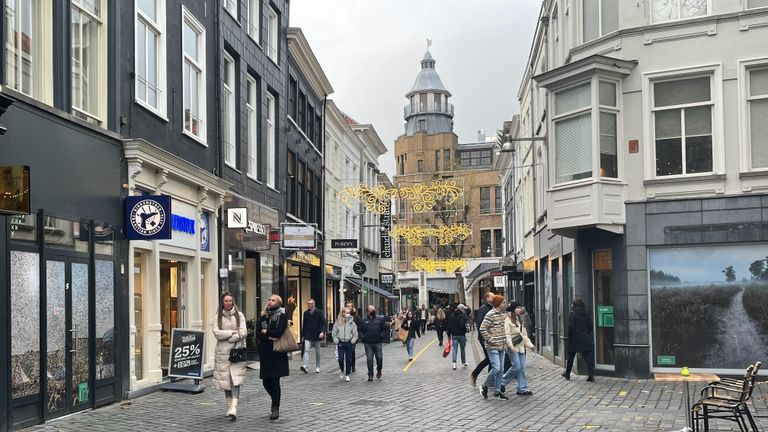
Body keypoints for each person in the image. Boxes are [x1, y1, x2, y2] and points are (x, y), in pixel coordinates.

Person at [211, 292, 247, 421]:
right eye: (226, 301)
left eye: (230, 301)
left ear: (233, 302)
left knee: (235, 380)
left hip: (236, 352)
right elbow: (217, 334)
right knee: (225, 381)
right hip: (222, 353)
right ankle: (229, 406)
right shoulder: (218, 317)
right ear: (222, 302)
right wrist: (232, 332)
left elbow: (243, 333)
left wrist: (230, 339)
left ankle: (234, 407)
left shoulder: (239, 315)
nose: (228, 303)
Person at [256, 294, 289, 420]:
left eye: (273, 300)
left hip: (277, 353)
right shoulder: (263, 316)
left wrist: (267, 332)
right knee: (265, 381)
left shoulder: (282, 316)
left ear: (278, 303)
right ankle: (274, 398)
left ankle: (275, 407)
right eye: (269, 299)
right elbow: (258, 333)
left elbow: (278, 332)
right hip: (265, 353)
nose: (270, 301)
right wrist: (269, 335)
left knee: (274, 381)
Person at [502, 301, 536, 396]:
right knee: (516, 366)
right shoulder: (507, 320)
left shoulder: (519, 319)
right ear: (513, 309)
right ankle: (502, 383)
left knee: (522, 368)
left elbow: (524, 335)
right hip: (512, 347)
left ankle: (522, 389)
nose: (520, 309)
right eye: (518, 308)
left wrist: (531, 345)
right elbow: (507, 335)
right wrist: (510, 345)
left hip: (521, 347)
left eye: (520, 307)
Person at [479, 295, 508, 400]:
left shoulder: (504, 315)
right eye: (504, 302)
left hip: (502, 345)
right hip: (492, 346)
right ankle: (484, 386)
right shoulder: (490, 314)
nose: (505, 304)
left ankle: (497, 392)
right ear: (498, 304)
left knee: (501, 370)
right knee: (496, 368)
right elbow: (482, 329)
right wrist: (490, 339)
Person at [562, 298, 596, 382]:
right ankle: (591, 376)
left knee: (571, 357)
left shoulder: (573, 314)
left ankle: (567, 374)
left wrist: (569, 335)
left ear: (574, 305)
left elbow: (571, 327)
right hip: (585, 339)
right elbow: (590, 326)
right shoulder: (587, 314)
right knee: (588, 358)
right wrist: (586, 333)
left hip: (574, 339)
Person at [470, 292, 496, 386]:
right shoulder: (483, 309)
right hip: (485, 338)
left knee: (492, 359)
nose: (494, 298)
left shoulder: (492, 308)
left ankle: (490, 380)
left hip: (492, 338)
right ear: (487, 298)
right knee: (490, 358)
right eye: (492, 296)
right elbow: (480, 324)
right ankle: (474, 374)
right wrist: (485, 338)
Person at [359, 305, 386, 381]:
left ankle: (379, 370)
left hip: (377, 342)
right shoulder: (364, 320)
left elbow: (384, 328)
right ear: (368, 311)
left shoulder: (380, 319)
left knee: (379, 357)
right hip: (368, 342)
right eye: (371, 310)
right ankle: (370, 374)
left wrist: (381, 336)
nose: (373, 311)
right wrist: (363, 337)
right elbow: (360, 330)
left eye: (374, 310)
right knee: (369, 358)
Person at [332, 308, 358, 382]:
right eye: (346, 312)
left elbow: (355, 334)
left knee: (348, 359)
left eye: (349, 312)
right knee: (340, 359)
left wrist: (352, 341)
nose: (347, 314)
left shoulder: (352, 323)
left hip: (349, 342)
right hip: (340, 342)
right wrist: (336, 340)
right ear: (342, 313)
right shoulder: (338, 323)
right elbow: (334, 332)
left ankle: (347, 374)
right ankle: (342, 370)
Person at [300, 299, 325, 374]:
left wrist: (322, 332)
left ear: (314, 304)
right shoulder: (305, 313)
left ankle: (318, 366)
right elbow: (304, 324)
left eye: (310, 304)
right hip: (308, 334)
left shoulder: (319, 312)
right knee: (307, 349)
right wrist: (303, 335)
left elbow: (323, 323)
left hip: (317, 334)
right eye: (308, 304)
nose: (308, 305)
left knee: (317, 352)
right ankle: (305, 365)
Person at [447, 304, 468, 369]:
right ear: (461, 309)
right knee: (462, 349)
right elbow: (462, 325)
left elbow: (449, 325)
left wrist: (449, 334)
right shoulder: (463, 316)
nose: (464, 310)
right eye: (463, 309)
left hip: (454, 335)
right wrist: (465, 328)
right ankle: (463, 363)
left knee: (455, 349)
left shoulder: (452, 315)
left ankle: (454, 363)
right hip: (461, 335)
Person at [345, 302, 362, 373]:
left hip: (353, 337)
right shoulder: (343, 315)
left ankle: (353, 366)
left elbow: (359, 326)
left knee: (352, 351)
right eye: (348, 306)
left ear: (352, 307)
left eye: (350, 306)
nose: (349, 307)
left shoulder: (356, 316)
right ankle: (348, 366)